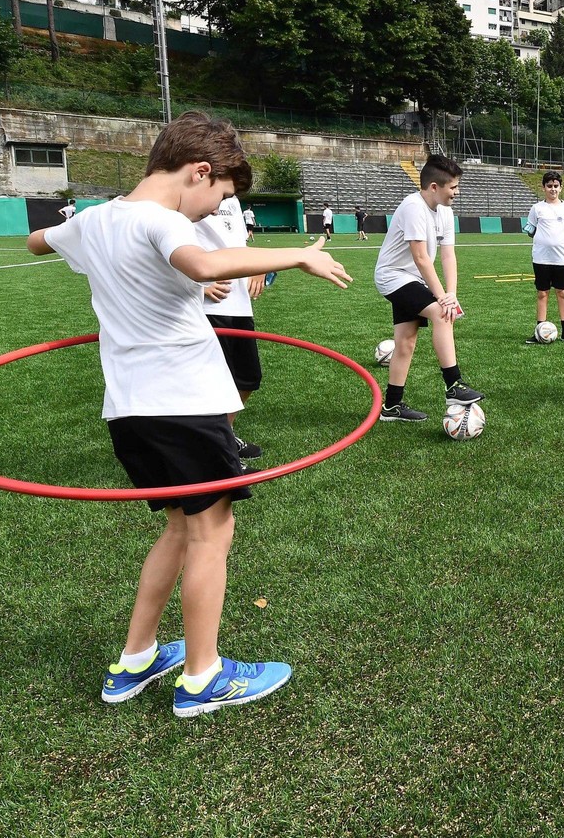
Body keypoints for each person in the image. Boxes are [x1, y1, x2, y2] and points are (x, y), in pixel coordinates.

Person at [25, 111, 351, 717]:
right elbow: (201, 264)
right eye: (219, 196)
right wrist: (296, 257)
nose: (211, 212)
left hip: (129, 409)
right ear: (200, 171)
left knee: (179, 528)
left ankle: (136, 659)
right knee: (210, 534)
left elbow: (37, 241)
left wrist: (168, 282)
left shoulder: (98, 220)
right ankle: (203, 678)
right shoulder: (162, 220)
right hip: (185, 403)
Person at [373, 153, 484, 421]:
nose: (456, 192)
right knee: (442, 314)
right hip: (393, 276)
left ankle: (391, 407)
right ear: (434, 187)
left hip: (414, 279)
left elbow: (448, 255)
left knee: (406, 342)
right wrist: (442, 300)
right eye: (453, 187)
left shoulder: (445, 211)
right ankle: (453, 385)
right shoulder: (413, 207)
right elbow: (421, 258)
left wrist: (451, 293)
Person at [196, 194, 267, 464]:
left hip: (239, 304)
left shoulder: (233, 201)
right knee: (211, 384)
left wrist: (259, 265)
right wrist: (198, 287)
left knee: (248, 378)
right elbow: (163, 250)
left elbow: (238, 243)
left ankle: (224, 435)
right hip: (207, 308)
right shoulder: (186, 196)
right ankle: (212, 450)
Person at [524, 170, 564, 344]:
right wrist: (545, 241)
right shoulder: (537, 208)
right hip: (541, 258)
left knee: (562, 293)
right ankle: (539, 330)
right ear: (543, 188)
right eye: (549, 186)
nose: (553, 189)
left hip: (561, 258)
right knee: (542, 293)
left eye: (556, 186)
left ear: (561, 188)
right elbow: (530, 231)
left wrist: (557, 242)